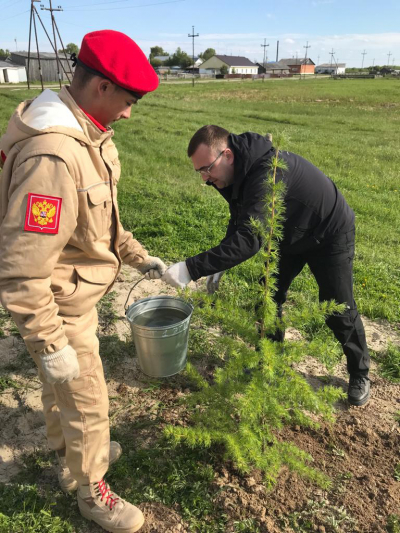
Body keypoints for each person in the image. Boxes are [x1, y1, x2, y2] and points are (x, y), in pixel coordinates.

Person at [0, 30, 166, 533]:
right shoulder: (54, 156)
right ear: (101, 88)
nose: (130, 113)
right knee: (89, 403)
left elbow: (100, 222)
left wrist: (137, 256)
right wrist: (50, 344)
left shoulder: (88, 135)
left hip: (76, 294)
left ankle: (71, 459)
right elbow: (23, 268)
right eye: (129, 100)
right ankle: (92, 492)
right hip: (58, 308)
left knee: (61, 395)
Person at [162, 125, 370, 407]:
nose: (204, 178)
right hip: (287, 233)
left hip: (328, 231)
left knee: (338, 306)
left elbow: (250, 239)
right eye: (199, 171)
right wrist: (217, 264)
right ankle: (268, 361)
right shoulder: (229, 175)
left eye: (206, 168)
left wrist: (191, 268)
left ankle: (360, 373)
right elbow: (240, 218)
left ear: (228, 155)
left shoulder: (266, 172)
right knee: (268, 296)